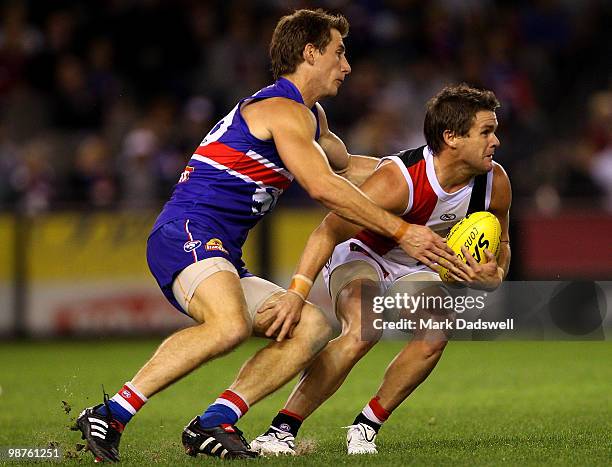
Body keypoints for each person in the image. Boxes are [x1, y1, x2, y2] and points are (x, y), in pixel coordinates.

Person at [75, 9, 462, 462]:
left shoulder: (309, 117)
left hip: (218, 250)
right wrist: (402, 230)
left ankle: (214, 421)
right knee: (230, 324)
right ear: (310, 53)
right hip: (188, 231)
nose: (347, 65)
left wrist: (437, 171)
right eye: (339, 53)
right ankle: (112, 413)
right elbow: (323, 186)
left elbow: (353, 167)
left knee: (313, 327)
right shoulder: (280, 110)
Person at [251, 84, 512, 456]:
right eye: (486, 132)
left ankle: (365, 426)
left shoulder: (495, 182)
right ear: (451, 137)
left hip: (416, 262)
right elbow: (328, 229)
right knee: (364, 328)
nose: (496, 141)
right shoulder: (400, 180)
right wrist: (297, 291)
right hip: (362, 252)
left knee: (436, 332)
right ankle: (280, 431)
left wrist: (496, 274)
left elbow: (503, 246)